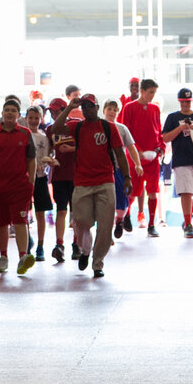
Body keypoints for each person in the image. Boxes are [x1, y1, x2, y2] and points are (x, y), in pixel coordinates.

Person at [51, 94, 130, 278]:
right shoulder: (77, 126)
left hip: (105, 182)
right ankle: (85, 251)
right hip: (82, 183)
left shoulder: (108, 127)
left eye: (90, 106)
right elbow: (56, 129)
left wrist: (127, 177)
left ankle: (97, 263)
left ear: (97, 107)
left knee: (105, 226)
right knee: (81, 222)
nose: (87, 109)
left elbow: (119, 153)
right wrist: (70, 108)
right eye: (84, 107)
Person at [0, 99, 37, 275]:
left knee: (21, 221)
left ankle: (23, 256)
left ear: (18, 115)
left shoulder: (26, 134)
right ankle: (3, 257)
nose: (10, 113)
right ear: (2, 113)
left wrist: (31, 180)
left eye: (14, 110)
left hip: (20, 187)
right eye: (7, 110)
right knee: (2, 223)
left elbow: (31, 160)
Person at [160, 87, 193, 239]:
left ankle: (189, 216)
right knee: (186, 191)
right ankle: (188, 224)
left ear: (192, 101)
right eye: (183, 102)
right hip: (181, 159)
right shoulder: (172, 117)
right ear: (179, 101)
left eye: (188, 102)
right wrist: (180, 127)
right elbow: (165, 138)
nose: (185, 105)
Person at [118, 78, 163, 237]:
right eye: (150, 92)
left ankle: (151, 224)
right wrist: (139, 152)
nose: (152, 96)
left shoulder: (155, 109)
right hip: (135, 158)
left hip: (152, 159)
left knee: (152, 191)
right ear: (142, 91)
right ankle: (124, 216)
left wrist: (160, 149)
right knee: (132, 192)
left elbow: (158, 131)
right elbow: (126, 134)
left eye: (154, 93)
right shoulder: (129, 108)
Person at [103, 99, 143, 239]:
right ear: (103, 111)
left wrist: (137, 164)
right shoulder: (98, 127)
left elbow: (131, 148)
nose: (112, 112)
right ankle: (105, 233)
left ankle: (119, 220)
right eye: (109, 109)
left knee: (122, 198)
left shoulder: (122, 129)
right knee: (104, 201)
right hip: (102, 170)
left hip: (119, 169)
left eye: (115, 110)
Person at [46, 96, 77, 263]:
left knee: (76, 212)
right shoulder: (50, 129)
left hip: (75, 174)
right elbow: (48, 150)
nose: (53, 113)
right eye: (51, 111)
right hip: (59, 175)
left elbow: (84, 146)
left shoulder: (75, 124)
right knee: (61, 210)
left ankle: (77, 243)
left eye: (56, 110)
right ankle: (59, 244)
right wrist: (49, 159)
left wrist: (71, 148)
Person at [26, 106, 57, 261]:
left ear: (41, 119)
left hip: (40, 178)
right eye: (30, 117)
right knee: (23, 212)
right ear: (26, 118)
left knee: (40, 213)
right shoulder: (22, 135)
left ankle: (40, 245)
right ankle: (27, 241)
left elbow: (46, 157)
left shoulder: (43, 137)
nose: (33, 121)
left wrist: (45, 164)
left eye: (36, 118)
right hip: (24, 179)